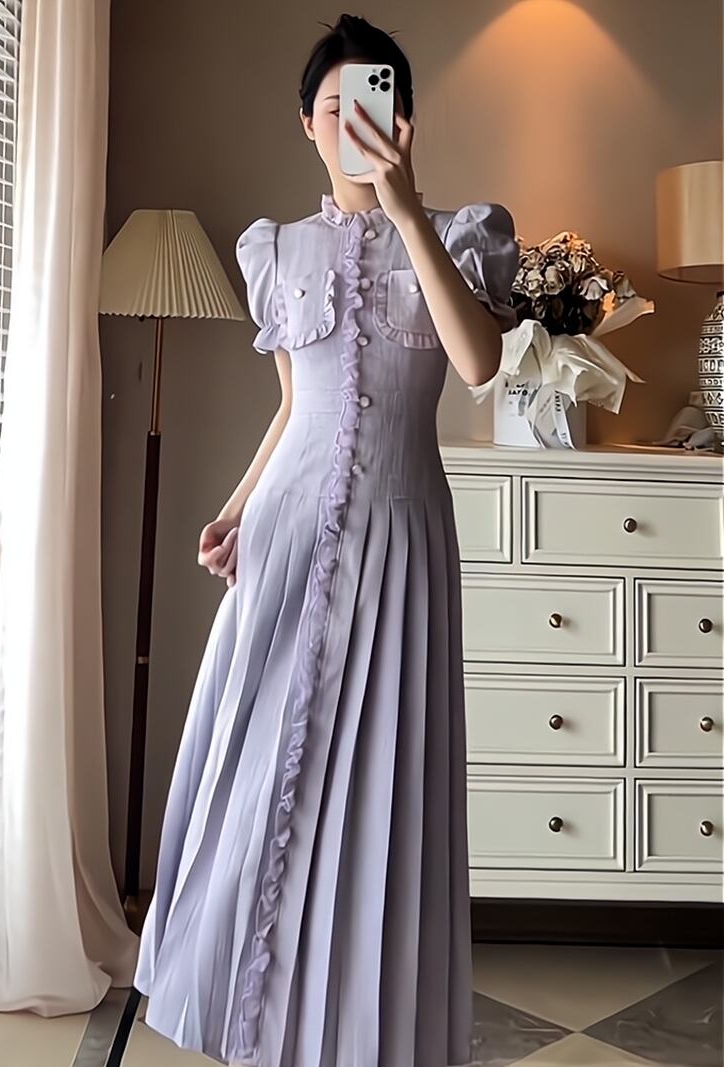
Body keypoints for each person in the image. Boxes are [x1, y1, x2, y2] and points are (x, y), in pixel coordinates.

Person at [133, 13, 519, 1067]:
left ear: (404, 118)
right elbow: (292, 408)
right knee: (257, 778)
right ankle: (248, 1022)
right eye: (335, 106)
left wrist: (406, 210)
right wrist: (232, 507)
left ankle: (357, 1034)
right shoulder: (276, 251)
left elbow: (478, 365)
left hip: (401, 543)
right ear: (307, 123)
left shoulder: (465, 236)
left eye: (374, 104)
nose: (354, 124)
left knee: (380, 793)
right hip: (285, 537)